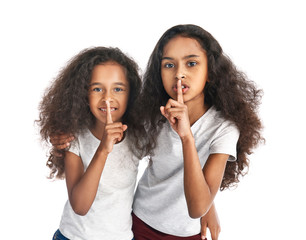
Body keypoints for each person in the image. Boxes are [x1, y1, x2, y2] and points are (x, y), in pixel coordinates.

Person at [131, 24, 263, 240]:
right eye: (168, 65)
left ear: (210, 72)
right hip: (140, 223)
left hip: (188, 233)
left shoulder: (224, 128)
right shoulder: (152, 114)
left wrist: (186, 137)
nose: (179, 74)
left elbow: (197, 208)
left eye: (191, 63)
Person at [37, 46, 145, 240]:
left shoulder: (139, 136)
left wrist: (208, 209)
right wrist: (103, 150)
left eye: (118, 89)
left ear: (131, 94)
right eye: (97, 89)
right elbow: (80, 206)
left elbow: (173, 165)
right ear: (83, 94)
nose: (107, 98)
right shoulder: (74, 137)